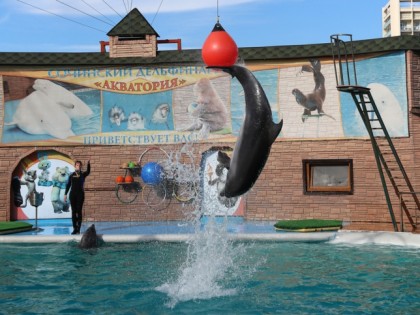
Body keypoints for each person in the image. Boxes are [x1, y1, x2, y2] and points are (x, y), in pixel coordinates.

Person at [64, 160, 90, 235]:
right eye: (77, 165)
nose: (78, 166)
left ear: (81, 166)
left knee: (79, 211)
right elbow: (68, 184)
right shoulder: (71, 175)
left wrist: (88, 164)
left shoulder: (83, 174)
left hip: (80, 194)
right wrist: (65, 194)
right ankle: (74, 228)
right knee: (73, 211)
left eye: (79, 165)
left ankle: (79, 228)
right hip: (72, 194)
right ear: (75, 166)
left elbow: (88, 171)